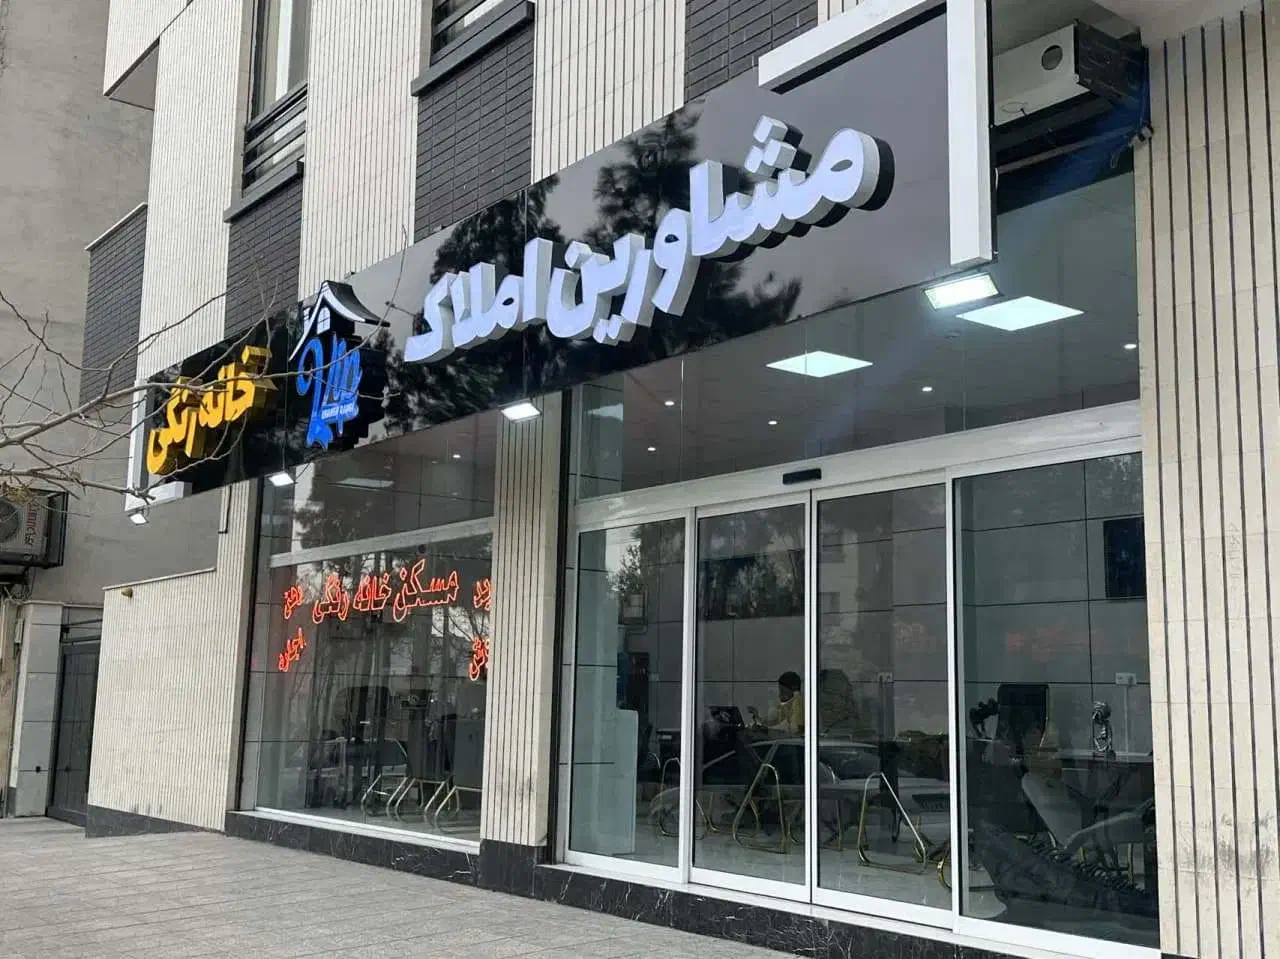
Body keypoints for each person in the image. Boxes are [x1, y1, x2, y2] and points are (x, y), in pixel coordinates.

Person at [752, 671, 805, 736]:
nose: (780, 695)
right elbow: (772, 720)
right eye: (780, 691)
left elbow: (794, 730)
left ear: (794, 689)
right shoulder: (788, 704)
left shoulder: (799, 703)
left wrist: (766, 730)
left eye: (783, 691)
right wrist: (758, 717)